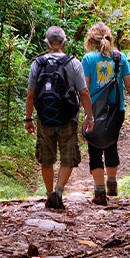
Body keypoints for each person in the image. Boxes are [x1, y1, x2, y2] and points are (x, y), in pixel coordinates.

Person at [24, 26, 94, 210]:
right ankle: (59, 191)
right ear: (64, 43)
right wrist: (89, 116)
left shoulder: (37, 63)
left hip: (44, 118)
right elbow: (84, 93)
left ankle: (49, 194)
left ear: (47, 43)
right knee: (68, 157)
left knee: (46, 158)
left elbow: (30, 95)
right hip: (68, 118)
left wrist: (28, 118)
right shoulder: (73, 63)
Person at [81, 22, 130, 205]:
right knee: (111, 144)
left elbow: (84, 88)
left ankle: (99, 192)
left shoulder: (88, 59)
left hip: (94, 110)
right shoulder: (120, 57)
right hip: (117, 110)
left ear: (90, 40)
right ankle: (112, 185)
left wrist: (85, 111)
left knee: (94, 148)